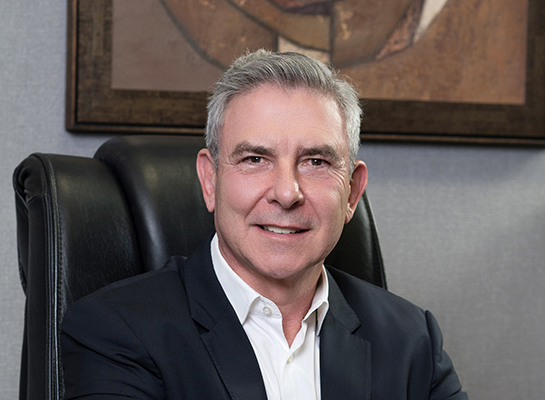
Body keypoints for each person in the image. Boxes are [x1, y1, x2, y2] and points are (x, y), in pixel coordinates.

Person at [61, 49, 468, 400]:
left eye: (316, 162)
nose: (287, 193)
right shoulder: (116, 331)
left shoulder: (412, 341)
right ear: (210, 181)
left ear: (352, 192)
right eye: (255, 159)